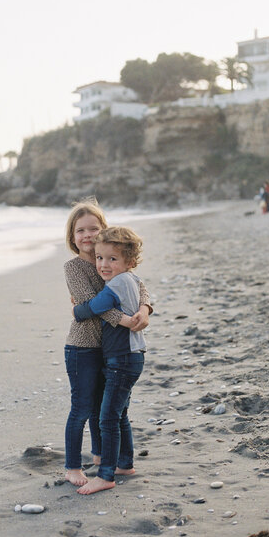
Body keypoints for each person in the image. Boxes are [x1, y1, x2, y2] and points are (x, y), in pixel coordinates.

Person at [64, 200, 152, 486]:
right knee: (83, 408)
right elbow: (93, 306)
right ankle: (73, 466)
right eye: (80, 230)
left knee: (105, 406)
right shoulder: (75, 268)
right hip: (83, 346)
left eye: (93, 228)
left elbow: (139, 287)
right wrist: (125, 320)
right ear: (72, 236)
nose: (87, 235)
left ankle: (102, 457)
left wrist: (144, 310)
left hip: (110, 349)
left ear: (104, 231)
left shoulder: (114, 260)